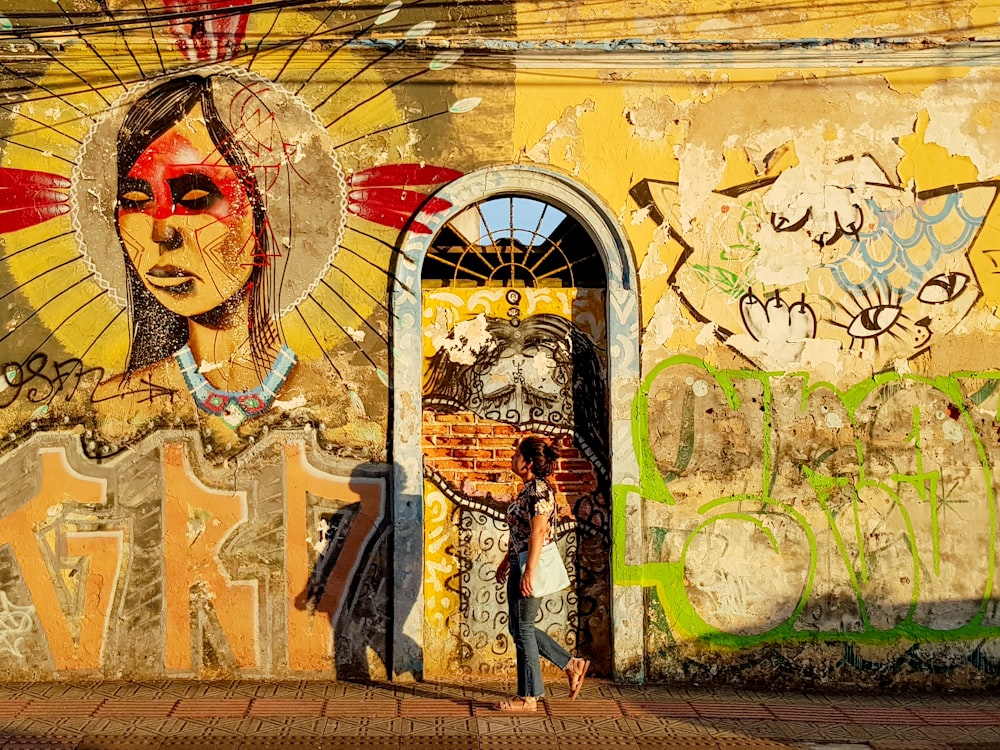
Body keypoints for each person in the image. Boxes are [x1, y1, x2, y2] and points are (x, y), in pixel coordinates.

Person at [493, 436, 590, 712]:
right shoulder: (529, 489)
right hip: (519, 562)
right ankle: (571, 664)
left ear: (529, 463)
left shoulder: (537, 491)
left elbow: (538, 532)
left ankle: (528, 697)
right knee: (519, 627)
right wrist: (507, 561)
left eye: (516, 456)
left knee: (522, 629)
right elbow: (521, 531)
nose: (512, 459)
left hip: (528, 566)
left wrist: (529, 571)